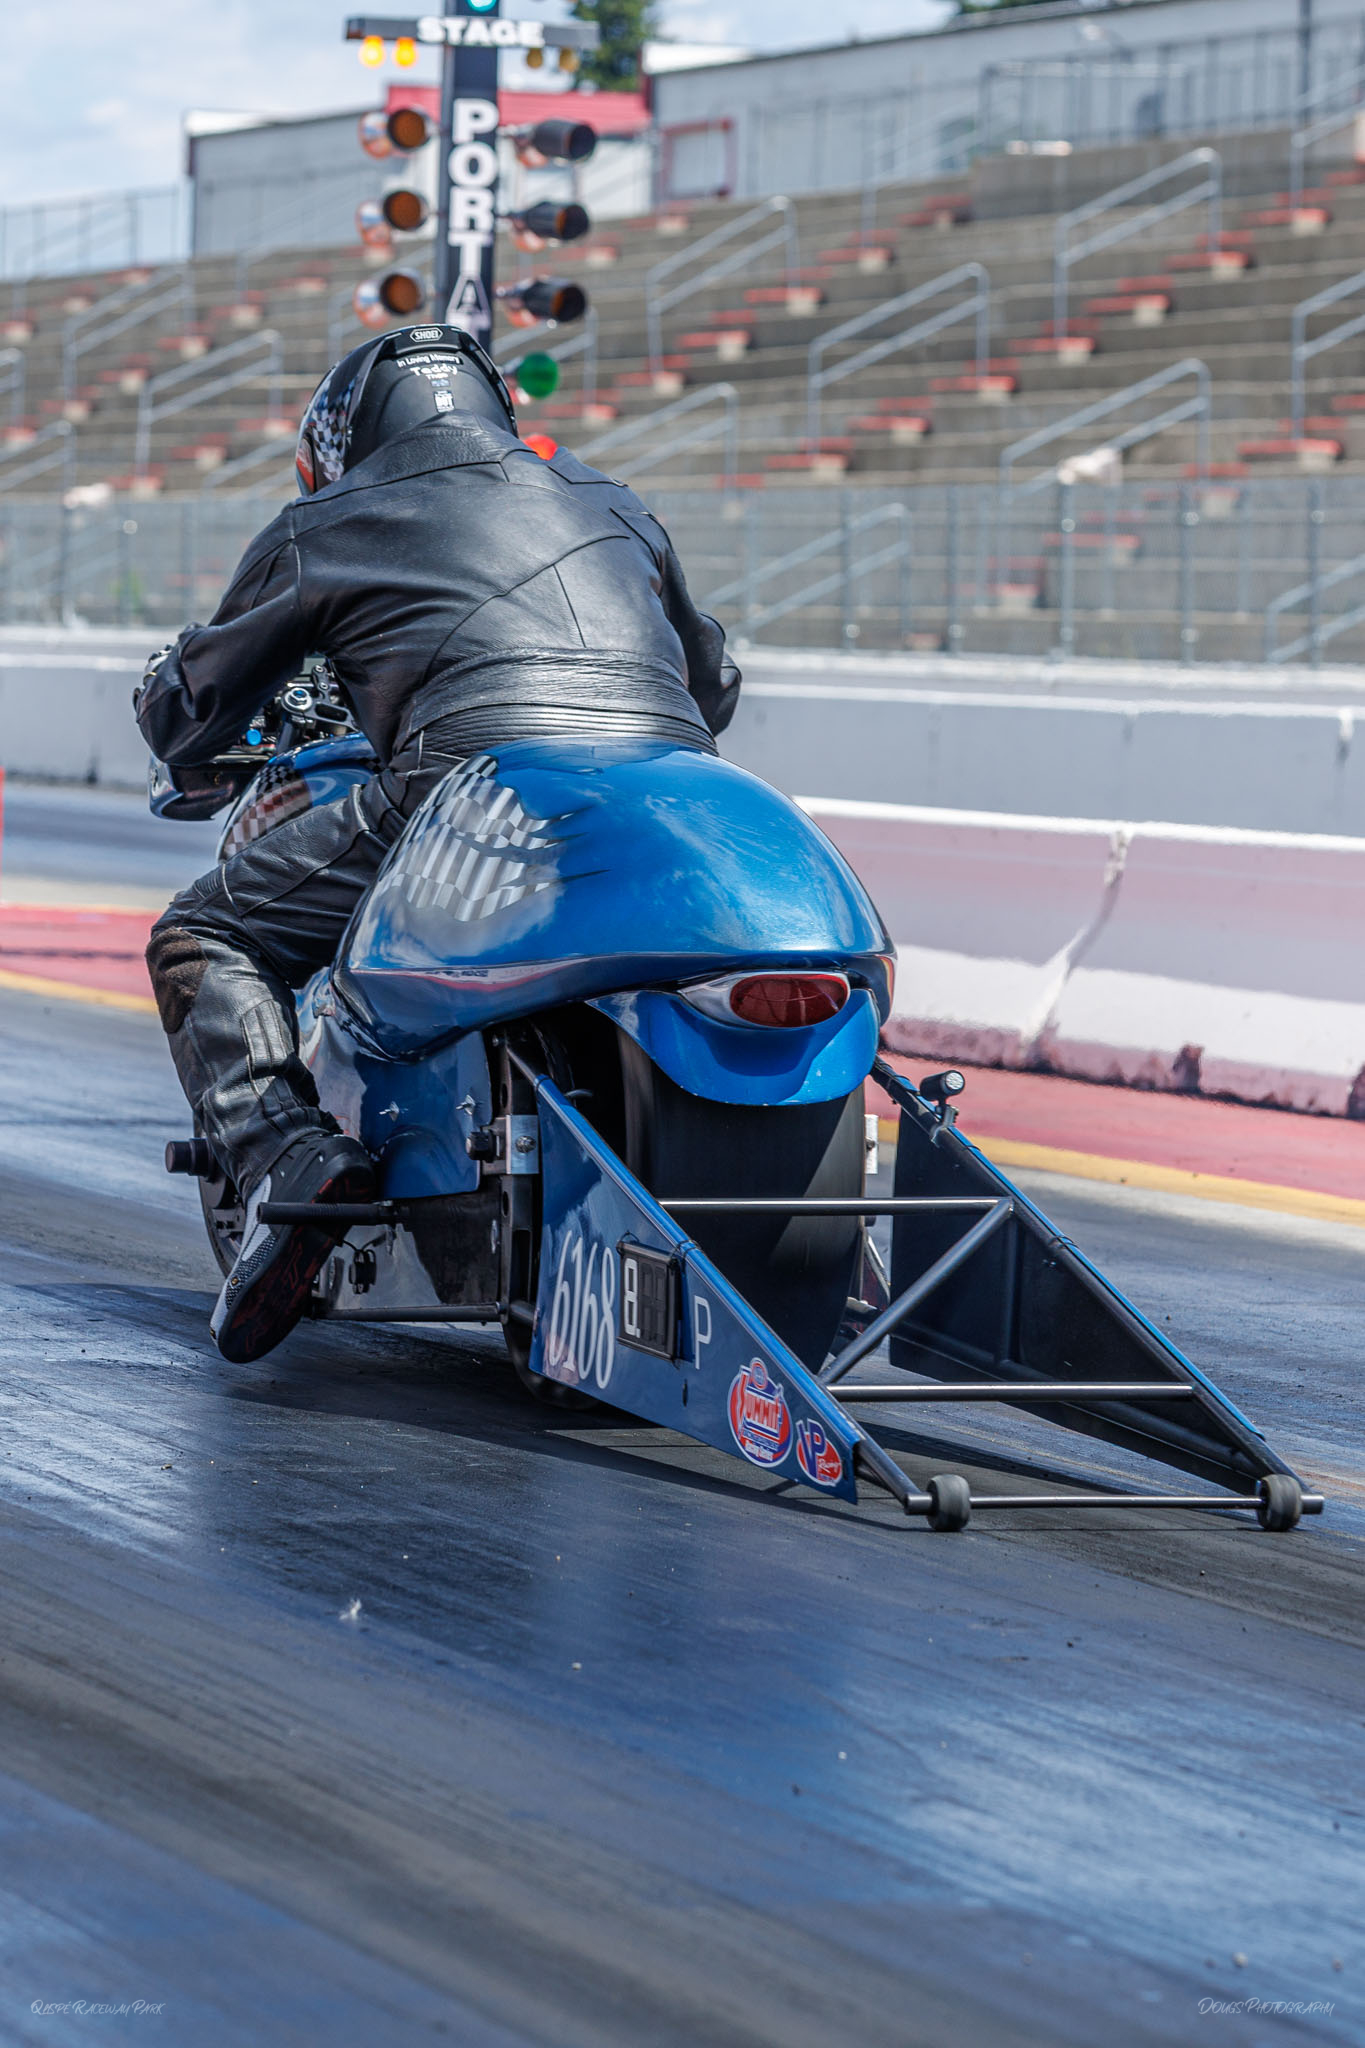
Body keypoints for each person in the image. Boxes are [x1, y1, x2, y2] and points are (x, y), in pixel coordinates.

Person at [137, 323, 740, 1365]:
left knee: (202, 930)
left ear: (342, 441)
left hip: (462, 777)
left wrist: (165, 682)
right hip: (673, 782)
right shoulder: (608, 498)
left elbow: (190, 715)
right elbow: (714, 684)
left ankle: (287, 1157)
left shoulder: (329, 519)